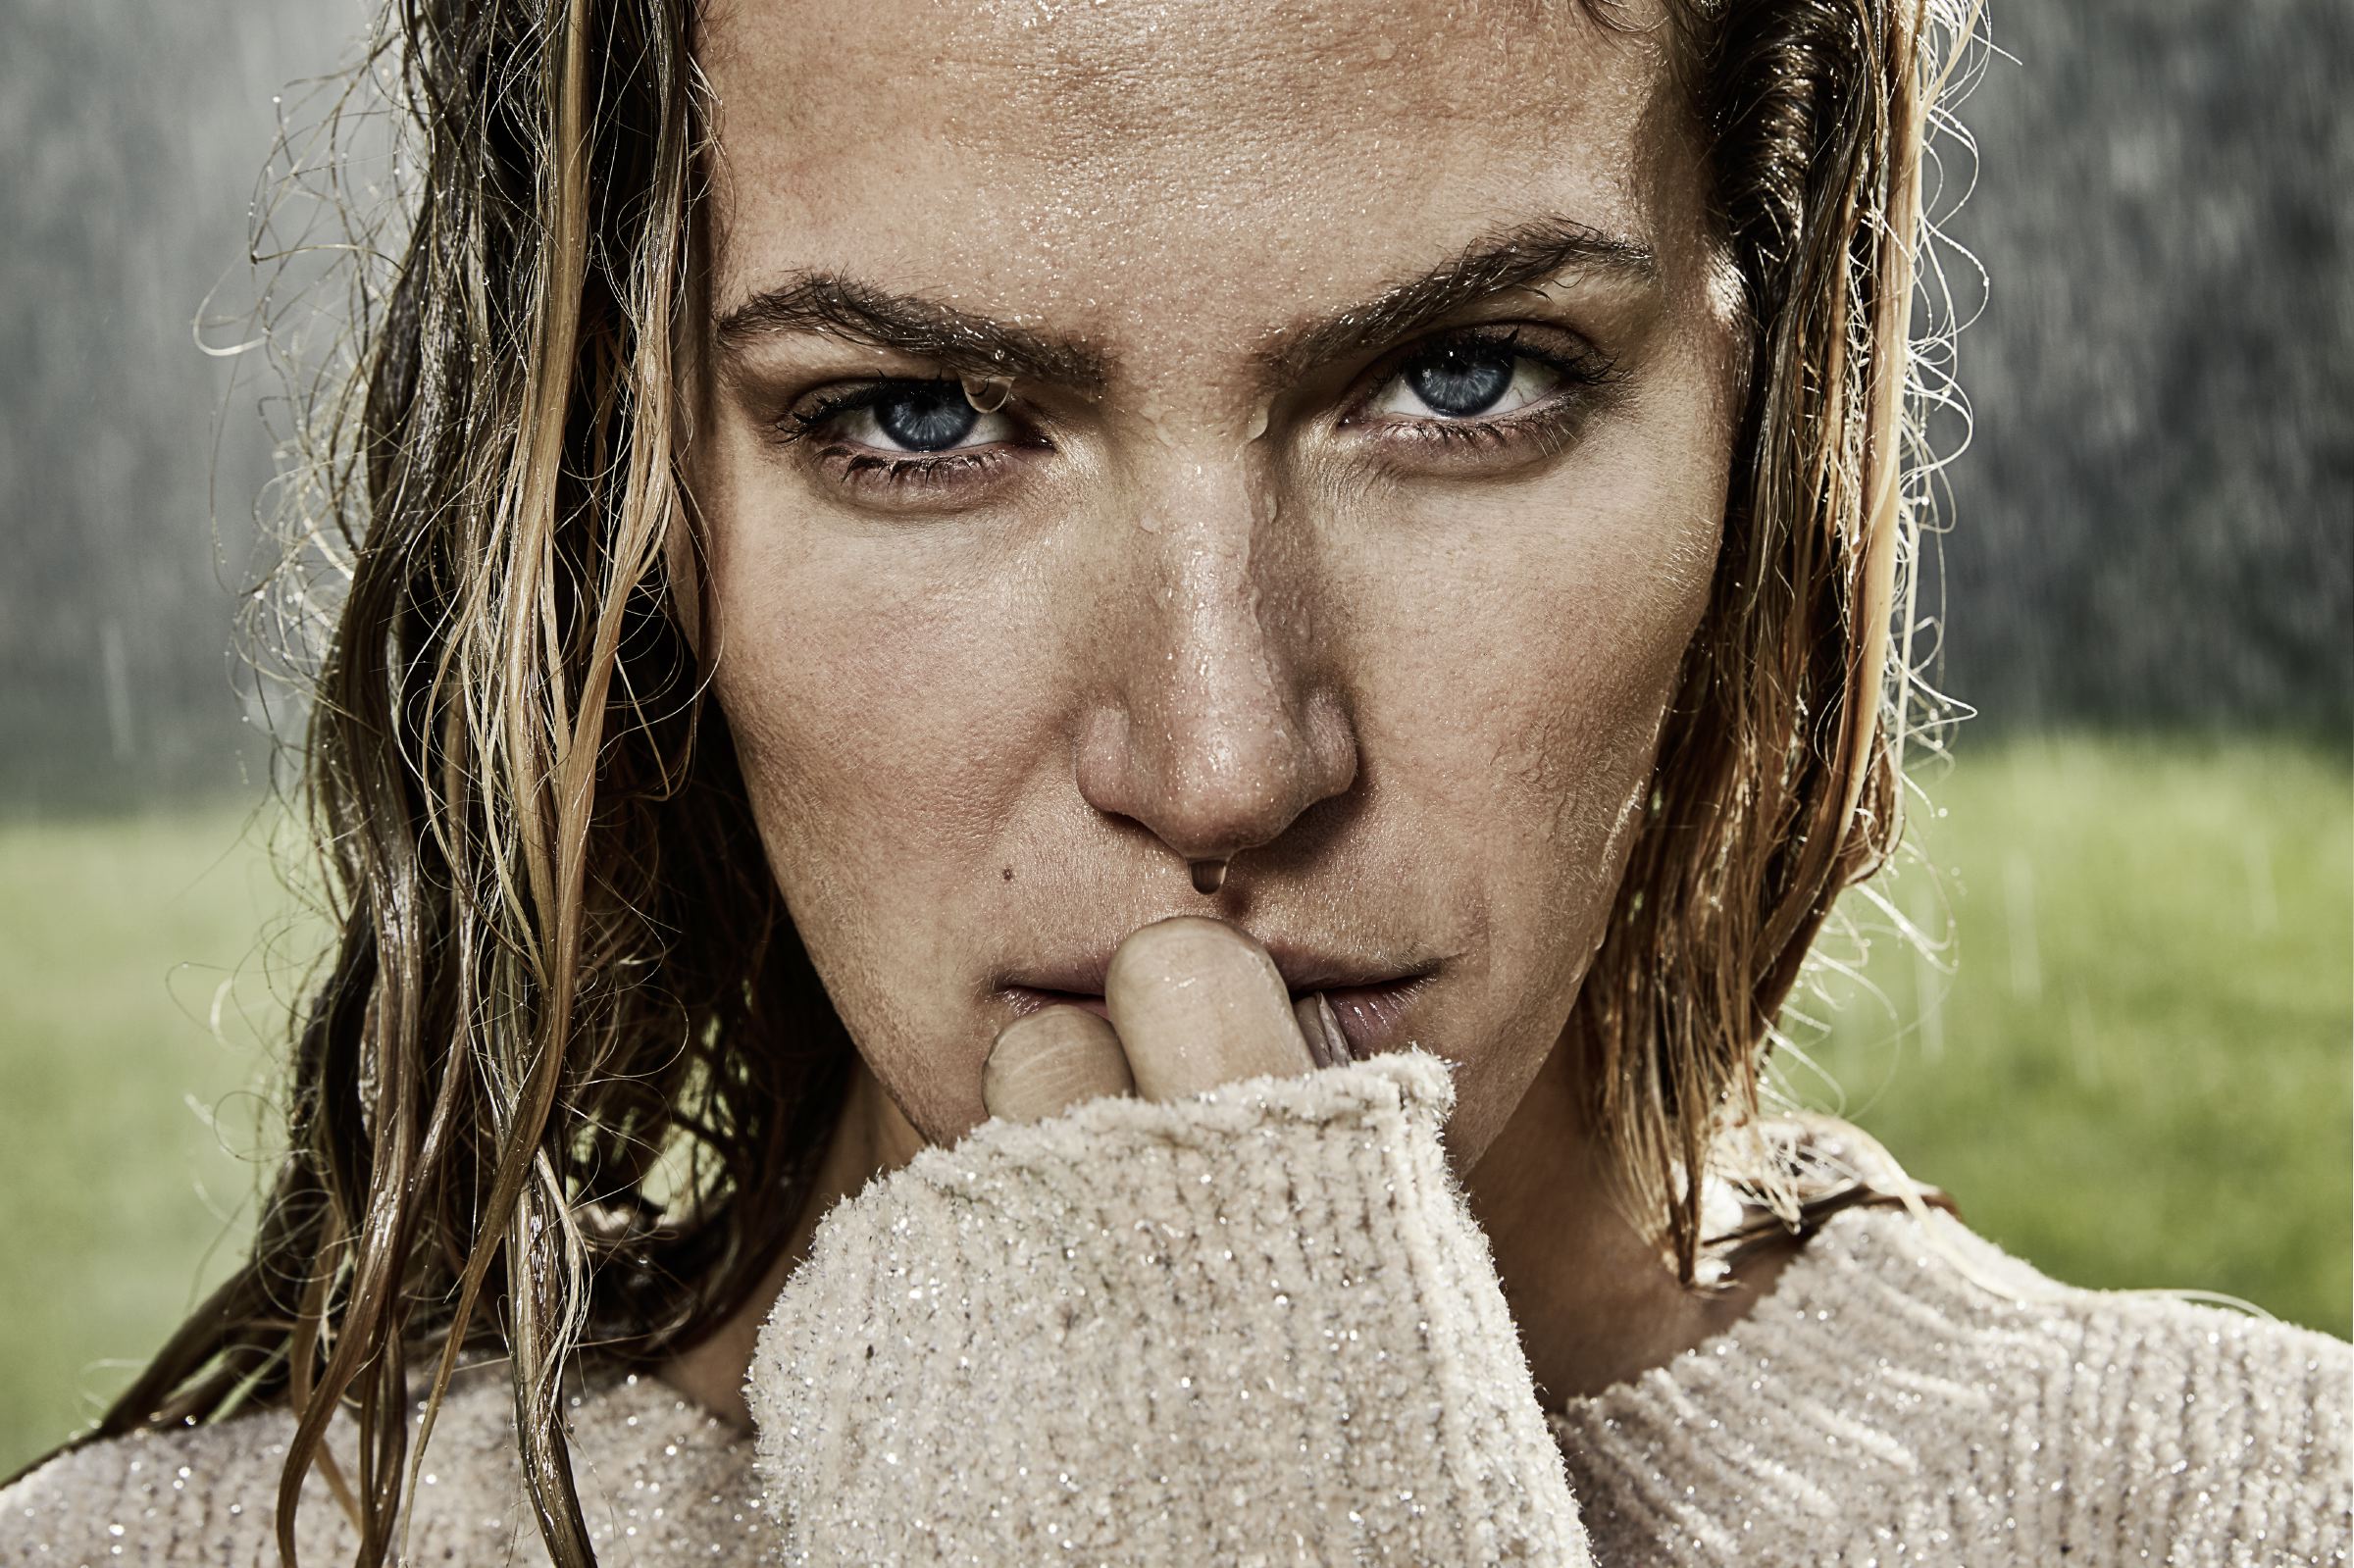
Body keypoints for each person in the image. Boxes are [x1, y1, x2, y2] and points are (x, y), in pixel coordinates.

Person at [4, 0, 2347, 1562]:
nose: (1224, 760)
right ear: (631, 494)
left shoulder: (2244, 1513)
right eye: (920, 417)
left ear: (1769, 386)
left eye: (1466, 378)